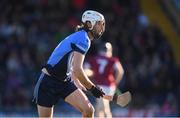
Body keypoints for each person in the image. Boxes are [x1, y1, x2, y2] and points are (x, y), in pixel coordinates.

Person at [33, 10, 106, 118]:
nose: (101, 28)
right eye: (99, 24)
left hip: (64, 81)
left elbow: (70, 65)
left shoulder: (81, 36)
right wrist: (92, 88)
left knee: (88, 110)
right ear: (90, 24)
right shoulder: (83, 39)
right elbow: (78, 69)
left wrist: (76, 80)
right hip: (48, 82)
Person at [84, 42, 124, 118]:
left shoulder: (93, 59)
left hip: (98, 86)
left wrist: (91, 75)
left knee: (101, 107)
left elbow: (86, 70)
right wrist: (115, 83)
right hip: (109, 86)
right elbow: (120, 71)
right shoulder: (112, 60)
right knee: (102, 107)